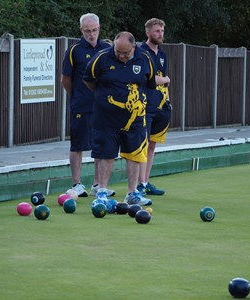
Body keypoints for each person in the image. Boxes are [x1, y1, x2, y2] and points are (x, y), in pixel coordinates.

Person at [83, 31, 156, 205]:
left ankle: (132, 193)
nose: (121, 56)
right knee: (105, 154)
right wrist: (103, 97)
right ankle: (102, 191)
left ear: (134, 47)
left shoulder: (144, 59)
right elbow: (88, 80)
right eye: (118, 52)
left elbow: (150, 84)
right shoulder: (102, 58)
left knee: (134, 155)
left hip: (135, 119)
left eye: (125, 53)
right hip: (106, 119)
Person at [61, 13, 114, 197]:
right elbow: (65, 79)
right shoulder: (74, 50)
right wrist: (78, 95)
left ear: (99, 28)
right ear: (81, 30)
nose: (91, 34)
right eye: (87, 31)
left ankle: (98, 185)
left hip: (103, 107)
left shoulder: (108, 49)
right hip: (81, 106)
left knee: (100, 145)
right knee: (77, 145)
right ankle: (77, 184)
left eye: (94, 30)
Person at [137, 18, 172, 196]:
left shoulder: (163, 54)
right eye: (157, 31)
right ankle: (139, 184)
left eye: (162, 31)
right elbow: (147, 79)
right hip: (145, 106)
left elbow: (163, 81)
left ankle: (145, 181)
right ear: (148, 32)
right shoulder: (140, 52)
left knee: (152, 145)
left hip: (161, 105)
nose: (160, 34)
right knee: (142, 145)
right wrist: (164, 80)